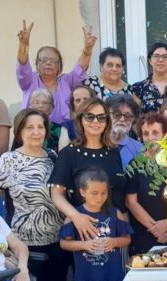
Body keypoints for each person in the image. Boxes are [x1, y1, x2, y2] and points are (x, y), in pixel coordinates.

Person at [0, 108, 69, 281]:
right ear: (20, 131)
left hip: (56, 242)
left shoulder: (53, 158)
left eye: (40, 127)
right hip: (24, 244)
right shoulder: (9, 160)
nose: (36, 132)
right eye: (30, 127)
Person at [49, 97, 126, 244]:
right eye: (89, 116)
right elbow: (56, 194)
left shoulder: (114, 152)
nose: (95, 121)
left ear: (107, 122)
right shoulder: (68, 153)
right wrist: (76, 217)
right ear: (80, 120)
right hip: (83, 230)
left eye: (101, 117)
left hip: (115, 232)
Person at [59, 168, 132, 281]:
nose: (100, 198)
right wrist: (84, 245)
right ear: (82, 192)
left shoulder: (114, 213)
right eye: (94, 193)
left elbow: (127, 239)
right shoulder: (75, 215)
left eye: (104, 193)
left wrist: (114, 242)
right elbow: (64, 244)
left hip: (111, 274)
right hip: (87, 275)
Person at [126, 113, 167, 253]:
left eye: (155, 133)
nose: (150, 138)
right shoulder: (135, 165)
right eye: (146, 134)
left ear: (165, 134)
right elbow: (131, 202)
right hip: (145, 233)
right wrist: (157, 230)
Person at [16, 20, 96, 124]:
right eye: (44, 60)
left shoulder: (66, 81)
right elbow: (22, 67)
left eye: (53, 61)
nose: (48, 62)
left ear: (59, 66)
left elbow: (80, 68)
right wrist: (23, 45)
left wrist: (87, 49)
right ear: (37, 64)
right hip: (35, 131)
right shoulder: (30, 80)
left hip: (64, 133)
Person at [130, 42, 167, 113]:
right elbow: (134, 116)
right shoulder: (138, 88)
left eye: (165, 56)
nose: (160, 60)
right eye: (156, 56)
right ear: (149, 60)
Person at [105, 94, 143, 169]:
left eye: (127, 116)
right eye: (117, 114)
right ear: (107, 116)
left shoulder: (139, 149)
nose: (122, 119)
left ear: (133, 119)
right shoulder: (95, 142)